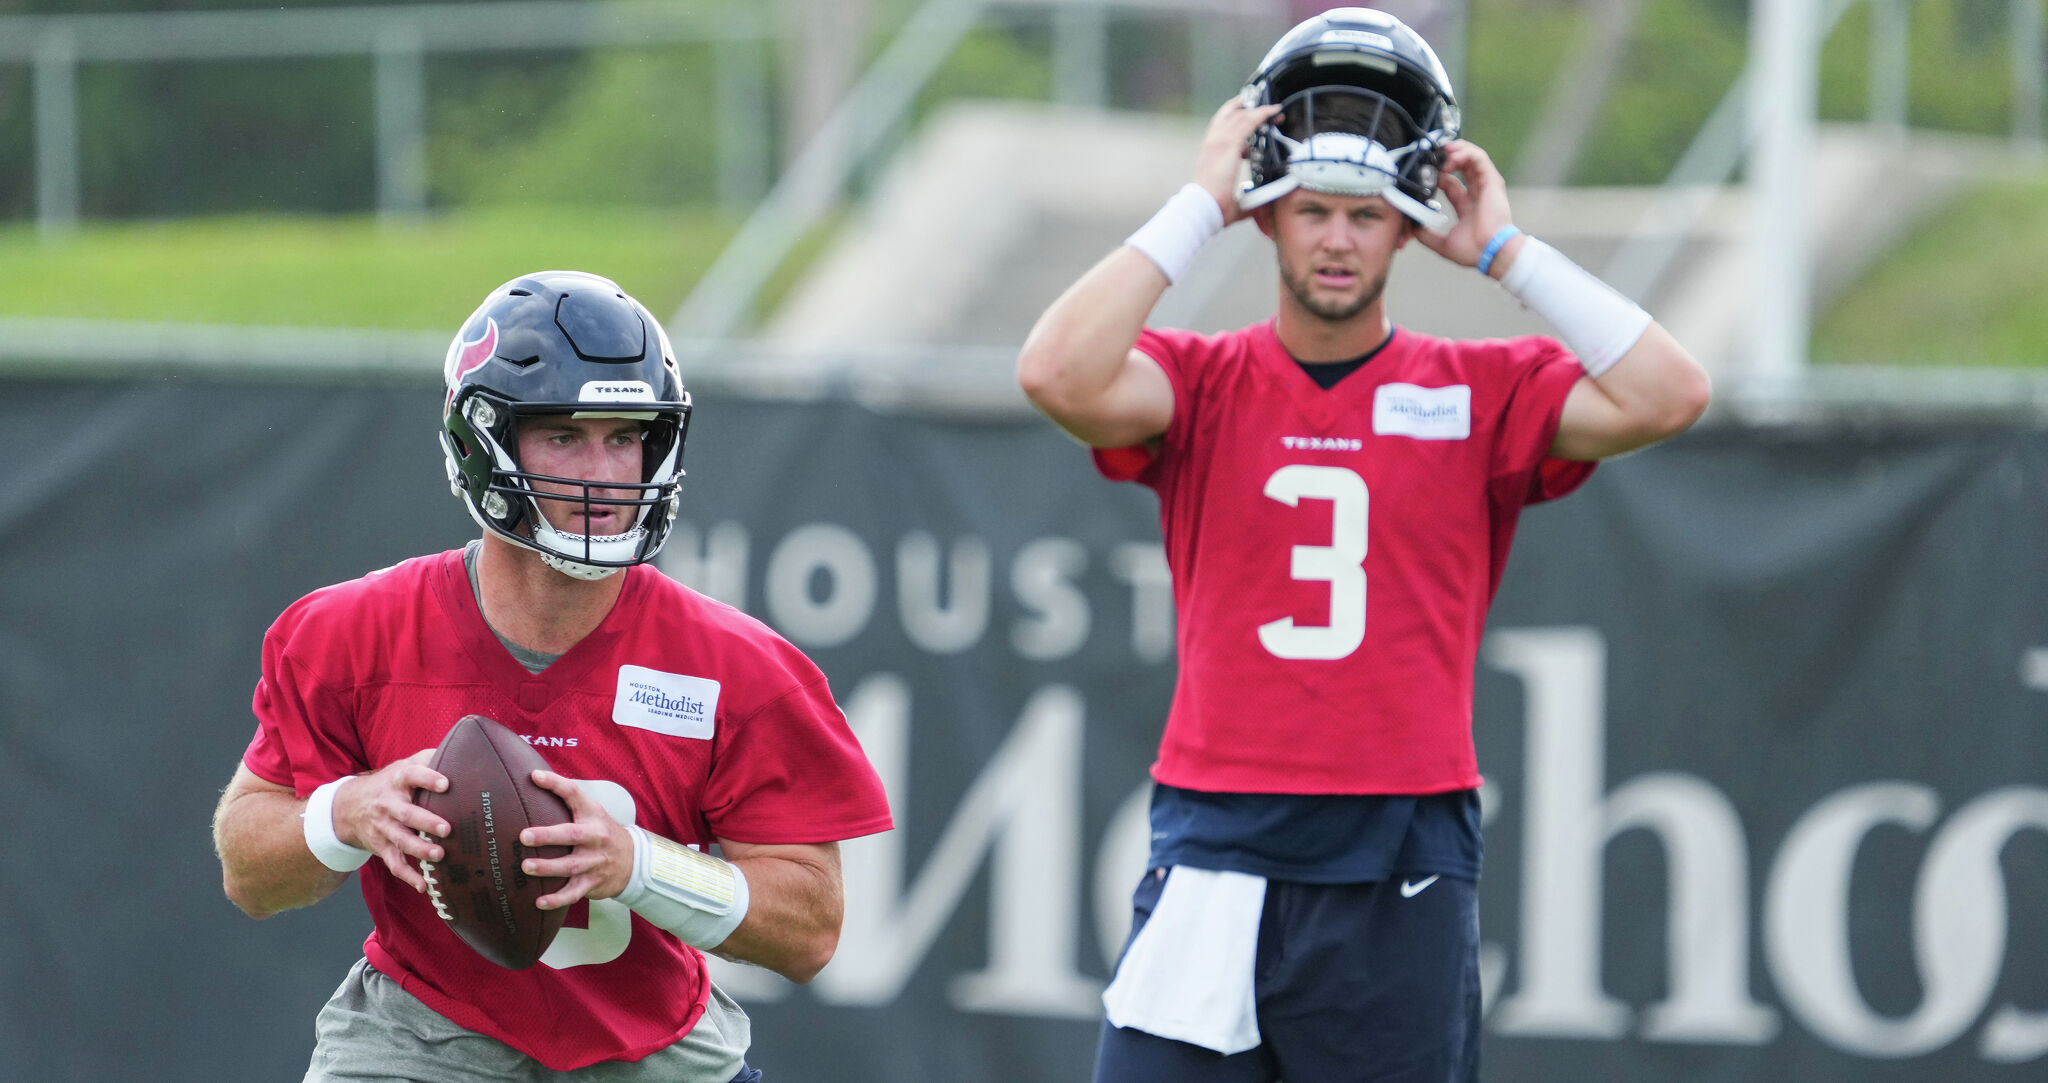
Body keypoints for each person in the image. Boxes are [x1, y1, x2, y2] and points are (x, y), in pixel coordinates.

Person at [1015, 9, 1710, 1082]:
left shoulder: (1478, 389)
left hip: (1400, 845)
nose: (1336, 239)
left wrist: (1503, 251)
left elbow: (1670, 391)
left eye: (1362, 213)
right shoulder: (1196, 383)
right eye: (1308, 211)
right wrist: (1198, 201)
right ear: (1266, 218)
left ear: (1404, 226)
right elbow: (1054, 373)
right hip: (1217, 837)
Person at [211, 270, 893, 1082]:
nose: (604, 474)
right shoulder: (352, 633)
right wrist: (345, 811)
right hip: (421, 1037)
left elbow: (812, 929)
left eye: (626, 435)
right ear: (483, 441)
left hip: (656, 1047)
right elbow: (249, 874)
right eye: (565, 435)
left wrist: (640, 865)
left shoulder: (738, 666)